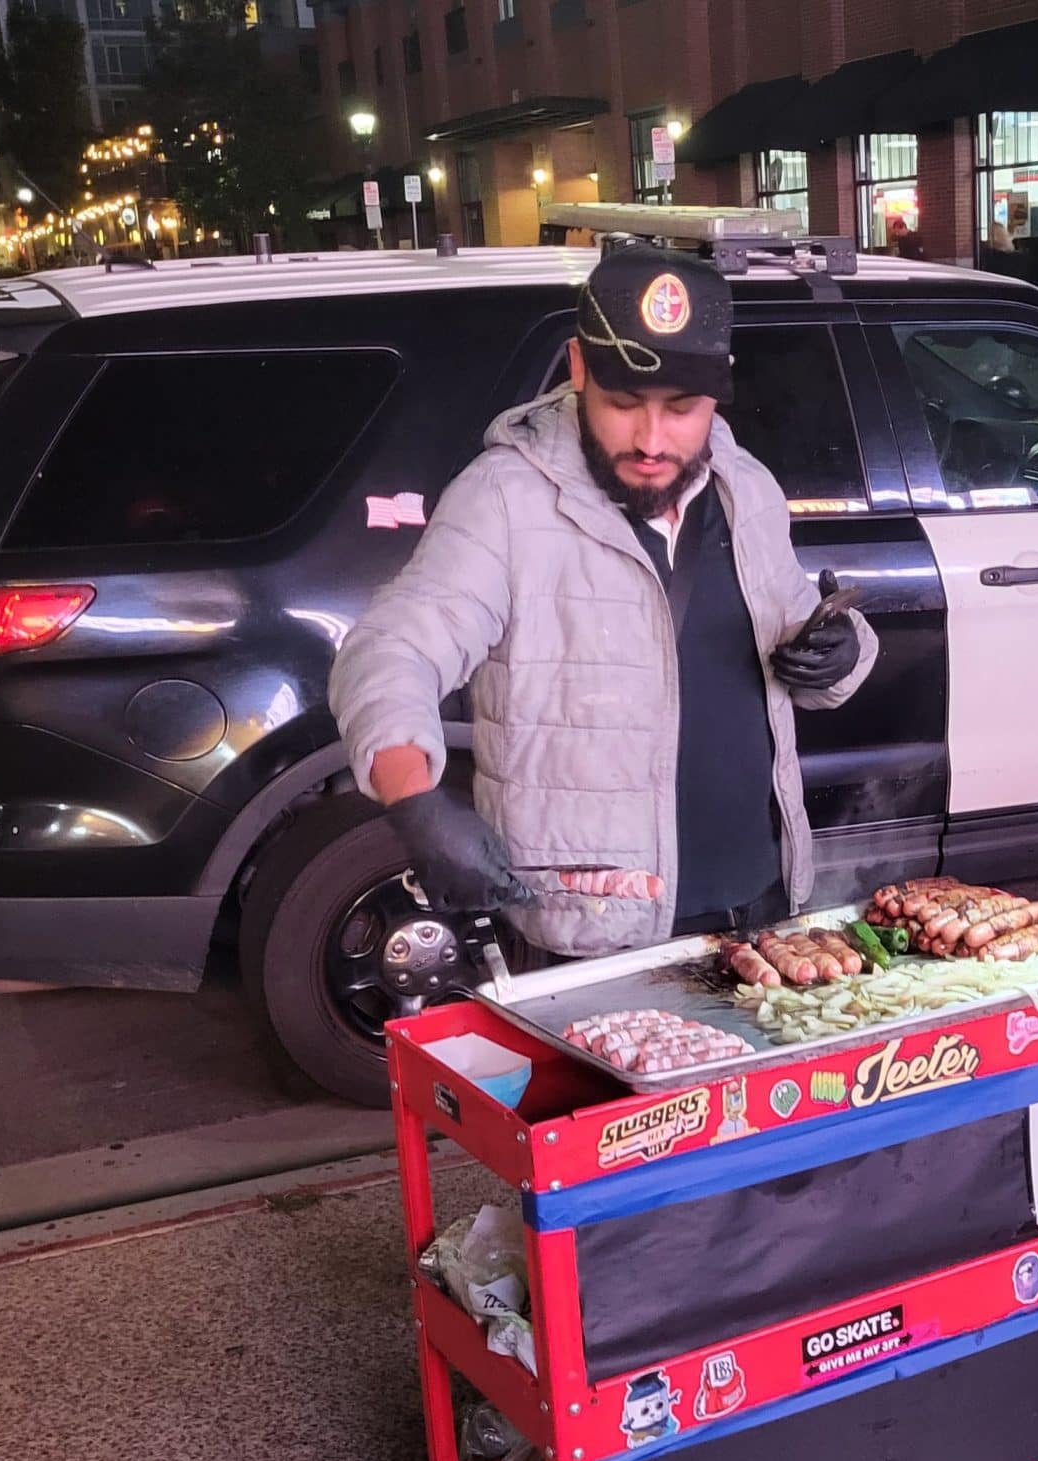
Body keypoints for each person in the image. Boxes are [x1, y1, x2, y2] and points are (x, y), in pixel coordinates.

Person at [328, 245, 880, 954]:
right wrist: (416, 806)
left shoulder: (747, 489)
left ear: (719, 390)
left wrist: (842, 650)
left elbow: (798, 626)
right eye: (623, 404)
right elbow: (390, 649)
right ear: (579, 367)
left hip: (762, 903)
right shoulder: (505, 499)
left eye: (681, 409)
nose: (651, 441)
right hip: (599, 926)